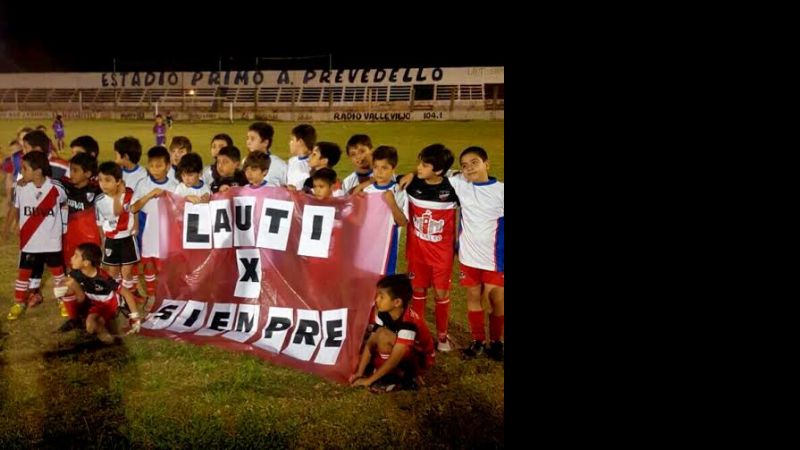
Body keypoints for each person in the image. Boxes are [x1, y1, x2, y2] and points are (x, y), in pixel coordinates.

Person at [403, 144, 459, 352]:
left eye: (424, 165)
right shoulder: (412, 183)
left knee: (441, 294)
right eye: (419, 163)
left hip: (441, 255)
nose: (418, 167)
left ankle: (442, 336)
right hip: (417, 252)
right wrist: (409, 174)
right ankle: (419, 332)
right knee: (417, 291)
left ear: (438, 171)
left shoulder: (453, 188)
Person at [7, 151, 68, 321]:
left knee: (58, 274)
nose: (21, 172)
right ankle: (19, 302)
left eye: (25, 169)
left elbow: (64, 204)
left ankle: (63, 300)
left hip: (51, 242)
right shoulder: (21, 187)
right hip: (29, 241)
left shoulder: (56, 188)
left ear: (38, 171)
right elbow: (19, 209)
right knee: (23, 274)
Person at [349, 274, 434, 392]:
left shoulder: (408, 323)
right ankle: (383, 370)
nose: (376, 299)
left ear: (397, 302)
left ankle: (395, 378)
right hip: (400, 349)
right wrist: (359, 373)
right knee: (372, 337)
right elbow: (371, 342)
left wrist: (368, 381)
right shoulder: (382, 311)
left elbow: (395, 357)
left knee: (383, 336)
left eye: (381, 297)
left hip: (419, 359)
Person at [55, 243, 143, 344]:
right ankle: (74, 319)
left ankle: (110, 339)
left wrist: (135, 317)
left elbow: (126, 293)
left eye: (76, 256)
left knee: (91, 326)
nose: (71, 258)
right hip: (92, 302)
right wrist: (59, 287)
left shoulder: (103, 277)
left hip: (107, 304)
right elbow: (67, 284)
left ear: (86, 263)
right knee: (69, 285)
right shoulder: (76, 273)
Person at [353, 146, 408, 275]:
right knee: (366, 281)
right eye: (376, 167)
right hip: (366, 246)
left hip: (387, 247)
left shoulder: (398, 191)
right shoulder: (367, 191)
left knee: (384, 283)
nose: (379, 172)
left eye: (384, 168)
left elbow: (402, 222)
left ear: (393, 169)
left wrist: (391, 203)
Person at [245, 121, 287, 186]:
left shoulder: (279, 165)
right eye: (247, 138)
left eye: (252, 139)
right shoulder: (245, 161)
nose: (248, 142)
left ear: (265, 142)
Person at [286, 124, 316, 189]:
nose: (290, 143)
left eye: (292, 140)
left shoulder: (313, 163)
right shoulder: (292, 161)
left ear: (300, 142)